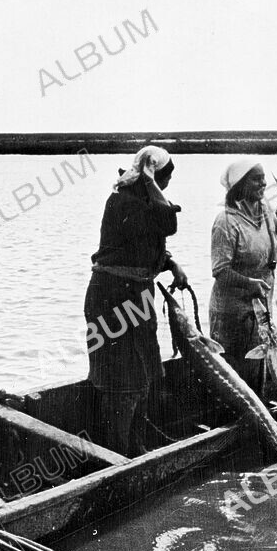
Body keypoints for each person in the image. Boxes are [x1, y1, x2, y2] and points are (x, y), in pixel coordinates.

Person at [84, 146, 188, 457]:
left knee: (144, 374)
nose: (165, 186)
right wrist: (150, 182)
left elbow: (148, 240)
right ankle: (119, 454)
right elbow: (167, 223)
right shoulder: (121, 200)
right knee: (123, 380)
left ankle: (137, 446)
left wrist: (170, 264)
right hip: (112, 296)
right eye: (163, 180)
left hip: (137, 292)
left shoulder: (141, 200)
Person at [210, 160, 277, 388]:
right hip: (233, 313)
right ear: (240, 185)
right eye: (256, 179)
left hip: (261, 305)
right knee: (237, 374)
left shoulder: (266, 213)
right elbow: (220, 272)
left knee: (260, 364)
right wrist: (250, 283)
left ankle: (261, 409)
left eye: (263, 177)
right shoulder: (226, 222)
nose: (264, 183)